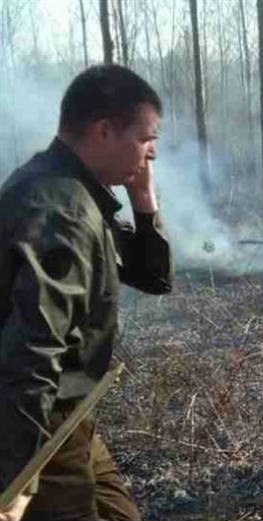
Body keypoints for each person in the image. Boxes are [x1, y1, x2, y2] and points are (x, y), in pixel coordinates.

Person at [0, 65, 173, 521]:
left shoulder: (69, 186)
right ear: (104, 131)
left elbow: (153, 277)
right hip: (42, 427)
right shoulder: (63, 208)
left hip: (70, 416)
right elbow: (34, 349)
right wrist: (15, 478)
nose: (152, 152)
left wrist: (143, 199)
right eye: (145, 138)